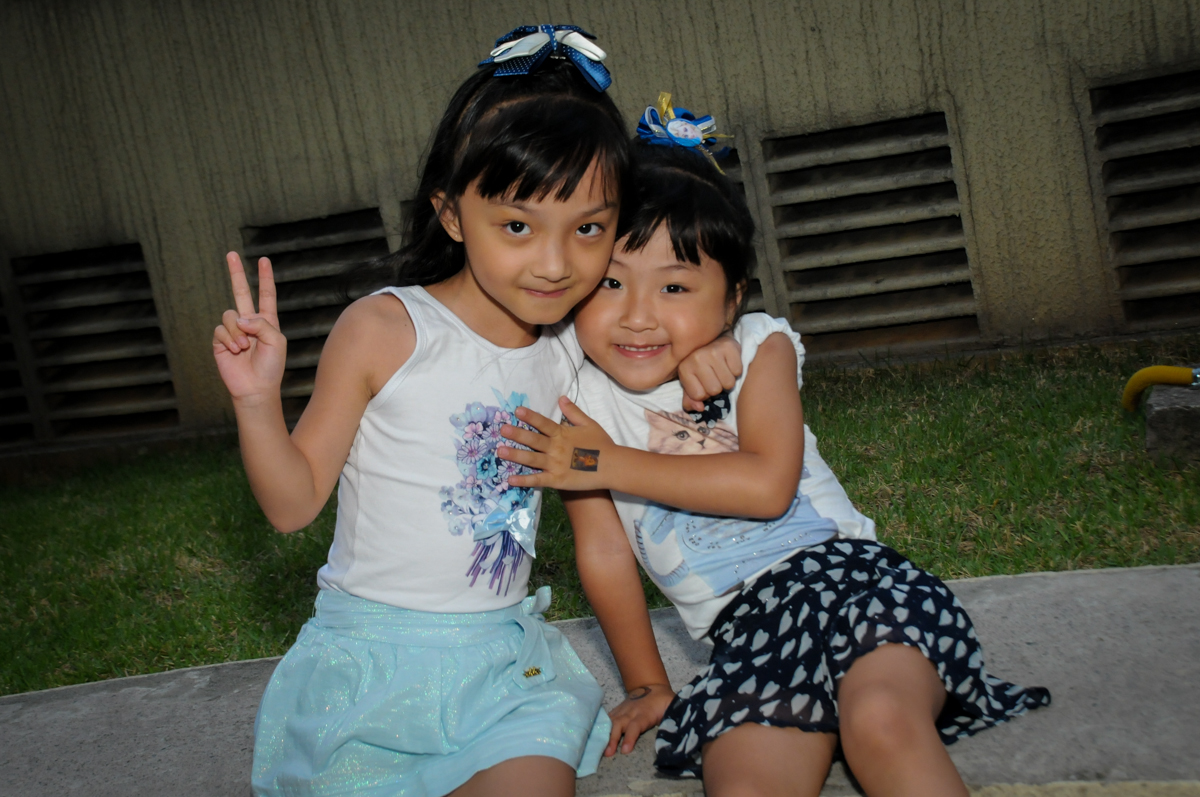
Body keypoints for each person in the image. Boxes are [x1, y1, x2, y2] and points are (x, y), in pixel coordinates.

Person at [211, 31, 738, 797]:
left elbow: (649, 337)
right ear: (452, 215)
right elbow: (293, 505)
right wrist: (257, 401)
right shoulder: (386, 330)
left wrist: (701, 354)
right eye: (518, 226)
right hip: (375, 665)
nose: (556, 264)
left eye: (588, 228)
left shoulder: (565, 343)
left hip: (502, 671)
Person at [496, 95, 1051, 797]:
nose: (637, 314)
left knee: (879, 722)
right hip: (751, 638)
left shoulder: (760, 347)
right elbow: (604, 548)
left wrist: (603, 457)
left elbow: (767, 485)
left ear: (731, 300)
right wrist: (645, 682)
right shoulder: (579, 397)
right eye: (610, 282)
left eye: (675, 285)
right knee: (746, 782)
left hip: (857, 589)